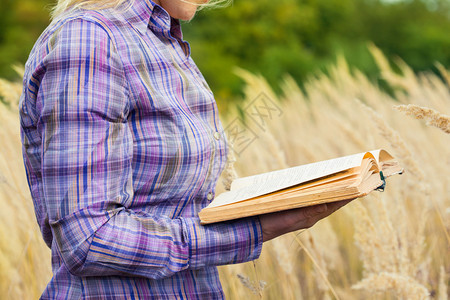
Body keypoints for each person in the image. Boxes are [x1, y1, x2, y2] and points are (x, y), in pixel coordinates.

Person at [19, 0, 351, 298]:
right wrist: (251, 230)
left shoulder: (163, 41)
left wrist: (262, 204)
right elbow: (89, 240)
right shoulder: (90, 40)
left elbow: (170, 206)